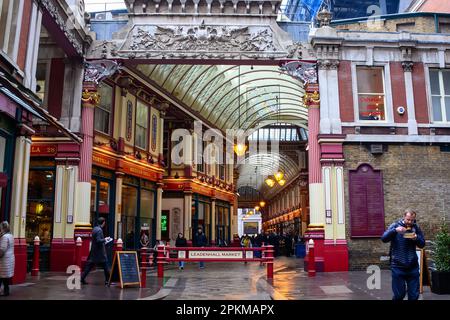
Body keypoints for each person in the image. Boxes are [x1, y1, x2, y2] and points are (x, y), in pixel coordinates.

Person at [381, 209, 425, 300]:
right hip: (398, 266)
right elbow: (384, 238)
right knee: (399, 295)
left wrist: (416, 237)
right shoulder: (395, 225)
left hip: (412, 267)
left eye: (412, 220)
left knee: (414, 296)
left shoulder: (416, 227)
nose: (410, 222)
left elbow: (422, 244)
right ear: (404, 216)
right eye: (408, 219)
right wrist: (395, 230)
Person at [81, 217, 112, 286]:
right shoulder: (99, 230)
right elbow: (98, 240)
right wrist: (105, 239)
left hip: (94, 252)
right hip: (100, 252)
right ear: (103, 222)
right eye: (104, 222)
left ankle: (82, 278)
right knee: (106, 267)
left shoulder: (94, 229)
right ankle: (107, 281)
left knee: (89, 267)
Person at [0, 221, 14, 296]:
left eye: (1, 228)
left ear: (3, 228)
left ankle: (6, 291)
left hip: (4, 260)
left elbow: (2, 249)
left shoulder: (5, 237)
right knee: (5, 278)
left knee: (2, 276)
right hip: (9, 259)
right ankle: (6, 291)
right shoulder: (10, 235)